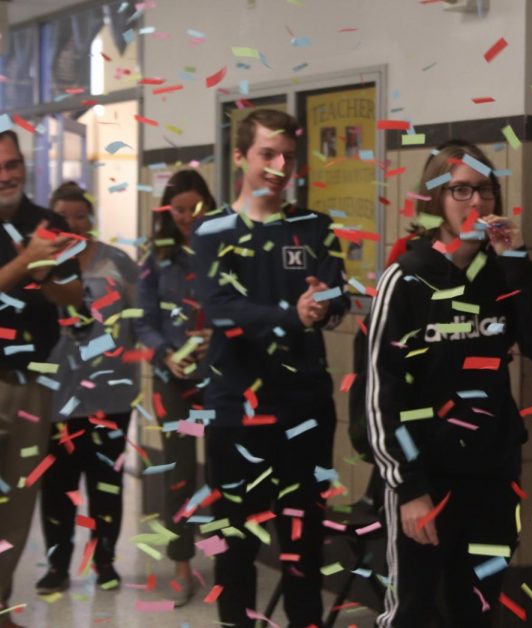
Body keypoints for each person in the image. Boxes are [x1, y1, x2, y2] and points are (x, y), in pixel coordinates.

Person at [367, 140, 532, 627]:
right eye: (461, 191)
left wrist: (515, 262)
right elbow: (381, 394)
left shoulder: (503, 272)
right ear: (436, 200)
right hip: (425, 478)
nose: (477, 204)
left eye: (486, 191)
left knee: (478, 611)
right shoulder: (405, 279)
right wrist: (409, 489)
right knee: (413, 613)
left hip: (492, 475)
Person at [192, 109, 348, 628]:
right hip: (236, 411)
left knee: (302, 546)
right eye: (266, 154)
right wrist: (290, 314)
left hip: (303, 410)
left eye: (287, 155)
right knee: (235, 542)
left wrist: (324, 302)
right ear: (240, 157)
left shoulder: (314, 227)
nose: (279, 166)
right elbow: (219, 308)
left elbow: (336, 293)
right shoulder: (213, 230)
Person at [35, 182, 140, 594]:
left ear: (91, 218)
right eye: (64, 218)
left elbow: (138, 321)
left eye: (80, 215)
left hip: (111, 397)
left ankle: (106, 561)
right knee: (59, 488)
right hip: (58, 398)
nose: (73, 224)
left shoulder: (118, 262)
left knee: (105, 486)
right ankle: (58, 565)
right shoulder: (40, 266)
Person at [0, 130, 83, 625]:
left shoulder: (47, 224)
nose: (7, 175)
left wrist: (51, 274)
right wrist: (26, 262)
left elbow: (75, 297)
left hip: (34, 384)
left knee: (17, 504)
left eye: (12, 164)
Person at [134, 169, 216, 606]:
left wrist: (215, 342)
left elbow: (240, 308)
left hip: (222, 378)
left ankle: (224, 559)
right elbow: (143, 322)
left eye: (195, 208)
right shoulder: (158, 257)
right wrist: (167, 353)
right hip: (173, 381)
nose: (187, 217)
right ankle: (182, 565)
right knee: (180, 475)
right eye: (178, 210)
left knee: (225, 471)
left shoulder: (226, 248)